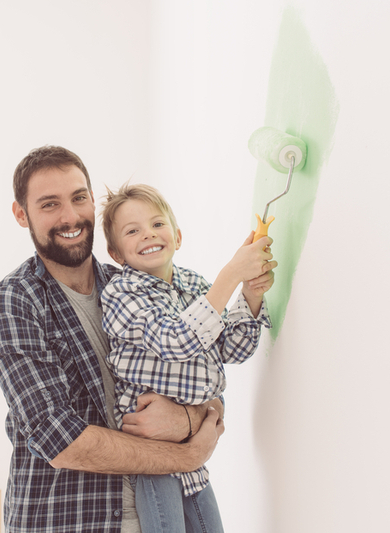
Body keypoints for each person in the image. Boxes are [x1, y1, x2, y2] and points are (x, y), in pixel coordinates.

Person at [0, 145, 226, 533]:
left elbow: (205, 378)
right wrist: (185, 455)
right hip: (66, 523)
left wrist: (186, 416)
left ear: (92, 200)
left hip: (158, 516)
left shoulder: (133, 288)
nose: (70, 216)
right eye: (49, 204)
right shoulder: (14, 302)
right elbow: (58, 438)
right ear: (21, 214)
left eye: (79, 198)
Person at [100, 183, 276, 533]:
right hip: (150, 451)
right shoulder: (121, 293)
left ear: (177, 236)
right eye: (132, 231)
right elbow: (174, 340)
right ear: (116, 253)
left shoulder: (195, 285)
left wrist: (250, 292)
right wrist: (230, 275)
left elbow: (233, 349)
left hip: (191, 448)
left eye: (157, 224)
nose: (148, 235)